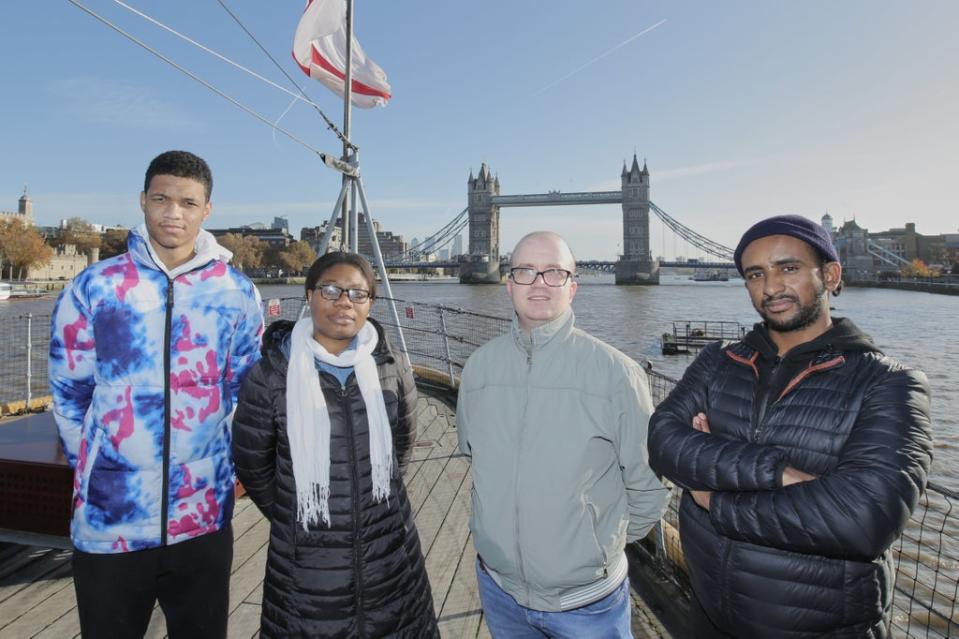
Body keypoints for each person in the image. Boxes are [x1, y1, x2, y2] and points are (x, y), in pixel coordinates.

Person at [648, 214, 933, 638]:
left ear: (831, 275)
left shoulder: (889, 384)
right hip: (707, 614)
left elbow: (861, 521)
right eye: (755, 274)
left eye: (789, 268)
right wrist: (778, 474)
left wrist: (714, 497)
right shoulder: (716, 362)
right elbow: (662, 440)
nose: (771, 287)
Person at [49, 150, 264, 638]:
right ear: (142, 201)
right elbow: (67, 392)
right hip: (112, 520)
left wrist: (232, 471)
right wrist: (93, 469)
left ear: (207, 210)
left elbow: (244, 395)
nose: (174, 213)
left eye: (188, 202)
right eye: (162, 199)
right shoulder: (94, 286)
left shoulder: (237, 293)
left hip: (203, 516)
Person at [457, 231, 670, 638]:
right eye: (525, 271)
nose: (539, 283)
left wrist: (595, 551)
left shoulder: (618, 374)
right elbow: (474, 456)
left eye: (554, 272)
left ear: (573, 287)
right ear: (508, 283)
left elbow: (650, 486)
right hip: (500, 590)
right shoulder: (478, 369)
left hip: (588, 603)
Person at [232, 252, 438, 638]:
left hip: (390, 557)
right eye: (331, 290)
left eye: (358, 294)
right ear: (310, 296)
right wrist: (299, 512)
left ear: (370, 303)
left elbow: (402, 446)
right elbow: (252, 466)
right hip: (307, 566)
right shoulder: (270, 375)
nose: (344, 302)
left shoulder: (391, 366)